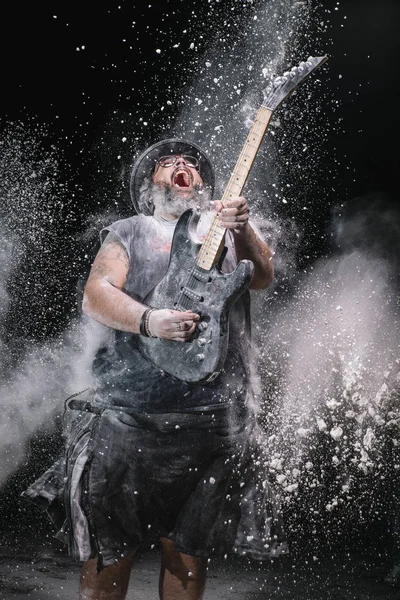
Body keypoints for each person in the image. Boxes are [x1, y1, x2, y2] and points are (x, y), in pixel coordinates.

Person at [25, 139, 287, 600]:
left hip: (210, 424)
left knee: (187, 559)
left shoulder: (227, 230)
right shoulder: (130, 229)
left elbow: (262, 277)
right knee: (109, 557)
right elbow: (96, 293)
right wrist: (149, 320)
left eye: (190, 164)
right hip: (130, 419)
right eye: (168, 164)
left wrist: (242, 230)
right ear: (150, 189)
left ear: (204, 185)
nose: (182, 165)